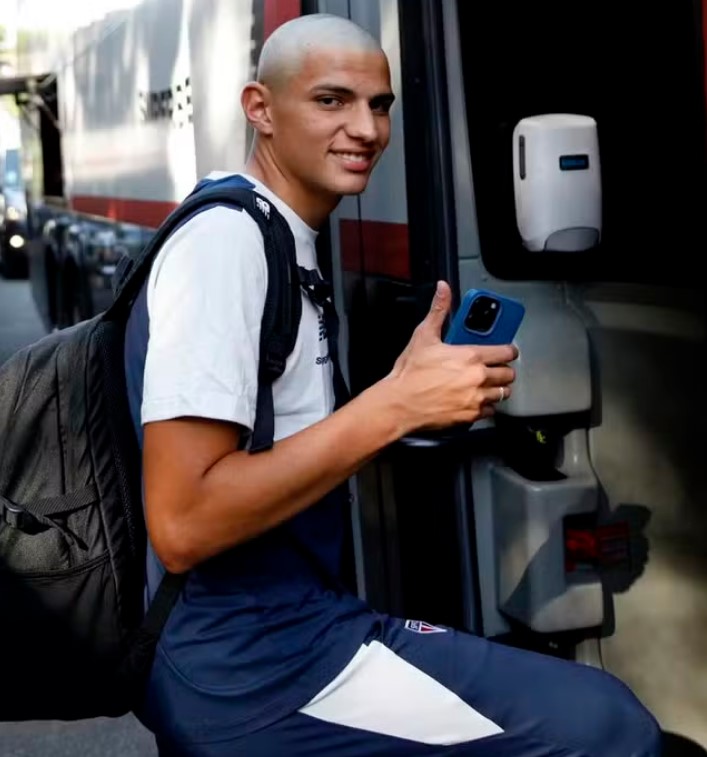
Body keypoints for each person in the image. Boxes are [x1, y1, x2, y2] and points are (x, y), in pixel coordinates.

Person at [124, 13, 662, 757]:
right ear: (259, 108)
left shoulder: (283, 238)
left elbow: (289, 450)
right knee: (611, 726)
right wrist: (389, 406)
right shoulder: (227, 243)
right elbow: (183, 522)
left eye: (379, 105)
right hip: (256, 663)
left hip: (287, 633)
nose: (366, 128)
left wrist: (407, 395)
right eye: (331, 100)